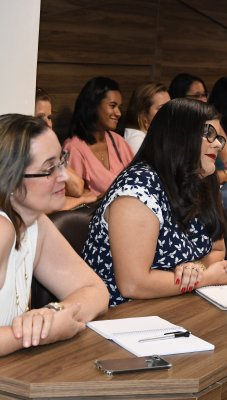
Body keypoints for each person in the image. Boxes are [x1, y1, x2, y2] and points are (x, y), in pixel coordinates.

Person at [83, 99, 227, 306]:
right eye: (208, 134)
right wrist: (203, 278)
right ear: (179, 136)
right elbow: (133, 284)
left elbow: (217, 251)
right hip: (120, 316)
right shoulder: (136, 191)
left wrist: (195, 268)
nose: (217, 144)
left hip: (175, 303)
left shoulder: (201, 179)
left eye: (218, 138)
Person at [0, 114, 108, 356]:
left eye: (62, 161)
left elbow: (96, 290)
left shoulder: (33, 220)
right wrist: (41, 332)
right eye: (49, 169)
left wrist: (52, 313)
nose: (64, 176)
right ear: (11, 181)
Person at [63, 77, 134, 197]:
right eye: (112, 106)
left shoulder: (119, 142)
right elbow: (73, 196)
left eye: (119, 107)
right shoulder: (74, 148)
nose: (118, 113)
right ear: (93, 106)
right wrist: (100, 198)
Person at [168, 72, 227, 184]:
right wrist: (226, 175)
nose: (203, 100)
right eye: (197, 96)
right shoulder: (172, 130)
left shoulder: (213, 122)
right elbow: (186, 175)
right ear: (180, 98)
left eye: (204, 95)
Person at [35, 87, 97, 209]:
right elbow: (37, 206)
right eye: (40, 117)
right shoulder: (20, 154)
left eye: (49, 117)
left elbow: (77, 188)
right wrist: (82, 200)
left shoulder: (49, 149)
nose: (48, 124)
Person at [123, 82, 170, 154]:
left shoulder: (154, 136)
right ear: (143, 113)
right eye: (162, 108)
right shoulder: (136, 140)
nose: (169, 112)